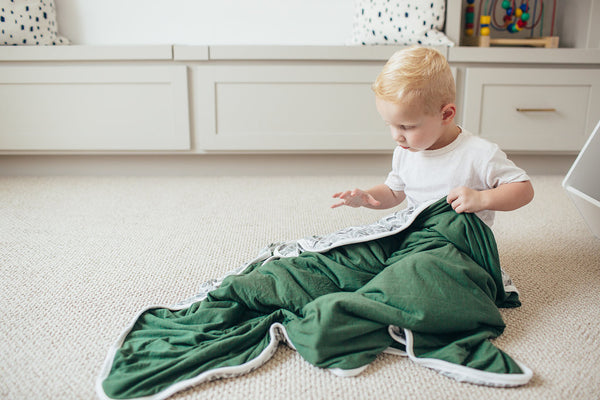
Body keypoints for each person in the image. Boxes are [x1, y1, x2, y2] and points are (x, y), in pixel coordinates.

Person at [331, 46, 534, 226]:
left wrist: (482, 199)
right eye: (389, 125)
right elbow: (393, 193)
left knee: (425, 258)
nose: (396, 136)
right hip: (418, 233)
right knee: (365, 247)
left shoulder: (479, 153)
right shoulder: (405, 152)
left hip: (460, 241)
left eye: (406, 126)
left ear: (446, 115)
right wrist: (367, 197)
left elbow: (524, 190)